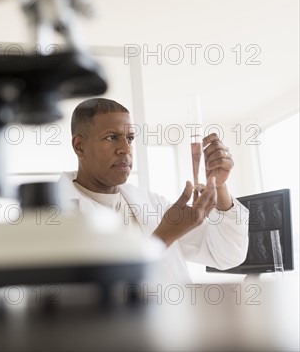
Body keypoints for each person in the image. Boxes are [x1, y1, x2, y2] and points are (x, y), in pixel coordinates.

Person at [58, 98, 249, 282]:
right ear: (79, 146)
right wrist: (164, 237)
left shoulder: (151, 204)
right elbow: (91, 294)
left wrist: (219, 185)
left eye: (130, 138)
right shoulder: (54, 216)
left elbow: (228, 255)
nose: (125, 148)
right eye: (111, 137)